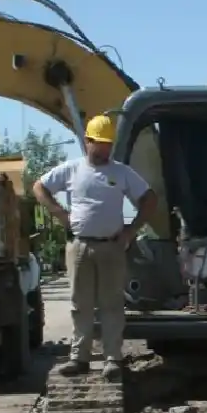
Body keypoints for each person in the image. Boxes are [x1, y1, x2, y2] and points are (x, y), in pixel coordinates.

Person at [32, 114, 157, 381]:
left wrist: (131, 230)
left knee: (112, 304)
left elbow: (149, 198)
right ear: (87, 141)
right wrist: (60, 213)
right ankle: (80, 358)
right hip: (80, 246)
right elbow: (39, 187)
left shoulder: (121, 172)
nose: (104, 150)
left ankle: (113, 358)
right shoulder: (72, 170)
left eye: (108, 144)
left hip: (112, 246)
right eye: (99, 144)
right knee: (81, 304)